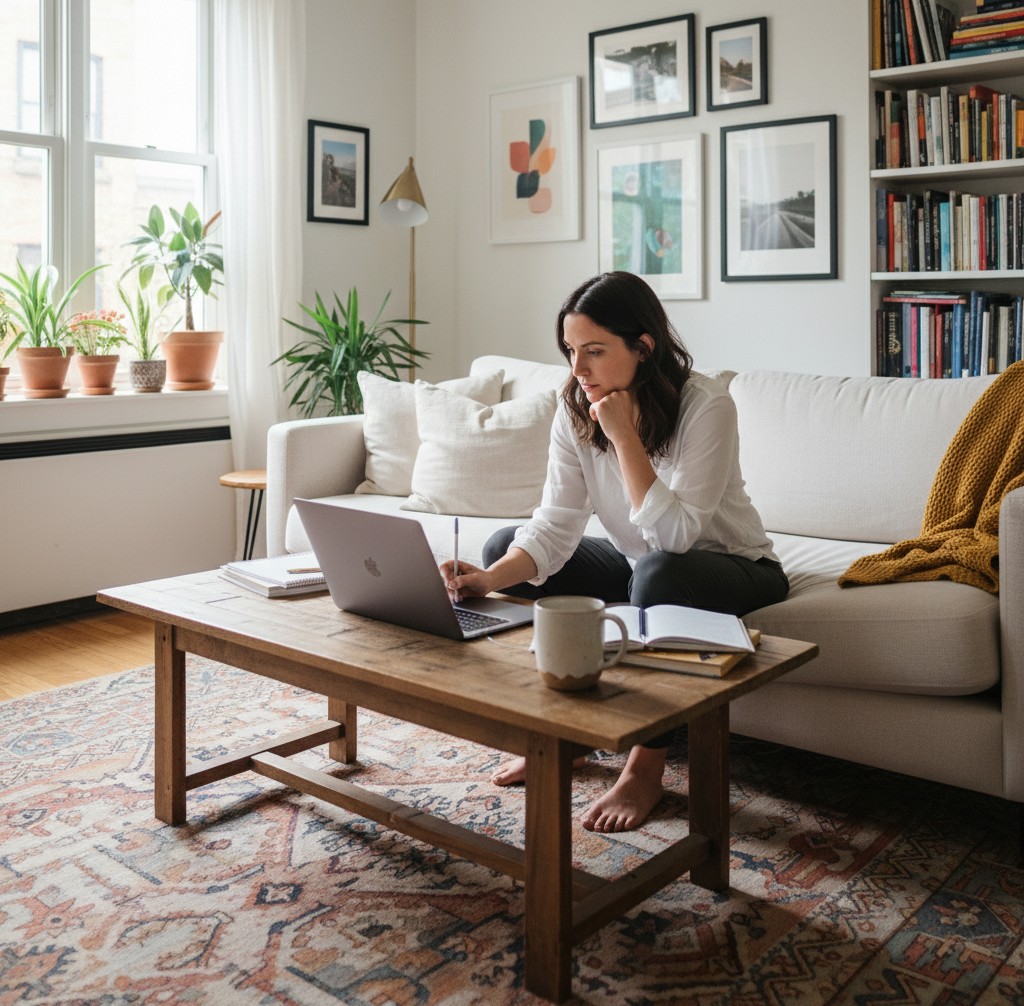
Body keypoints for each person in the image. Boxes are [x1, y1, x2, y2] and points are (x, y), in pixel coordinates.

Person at [440, 271, 788, 833]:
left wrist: (625, 436)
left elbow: (676, 538)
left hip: (736, 567)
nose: (579, 370)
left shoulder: (707, 406)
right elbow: (556, 524)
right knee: (505, 547)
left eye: (594, 352)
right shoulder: (575, 404)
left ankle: (645, 766)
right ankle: (568, 737)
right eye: (572, 352)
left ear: (643, 347)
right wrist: (487, 579)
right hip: (642, 568)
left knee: (658, 573)